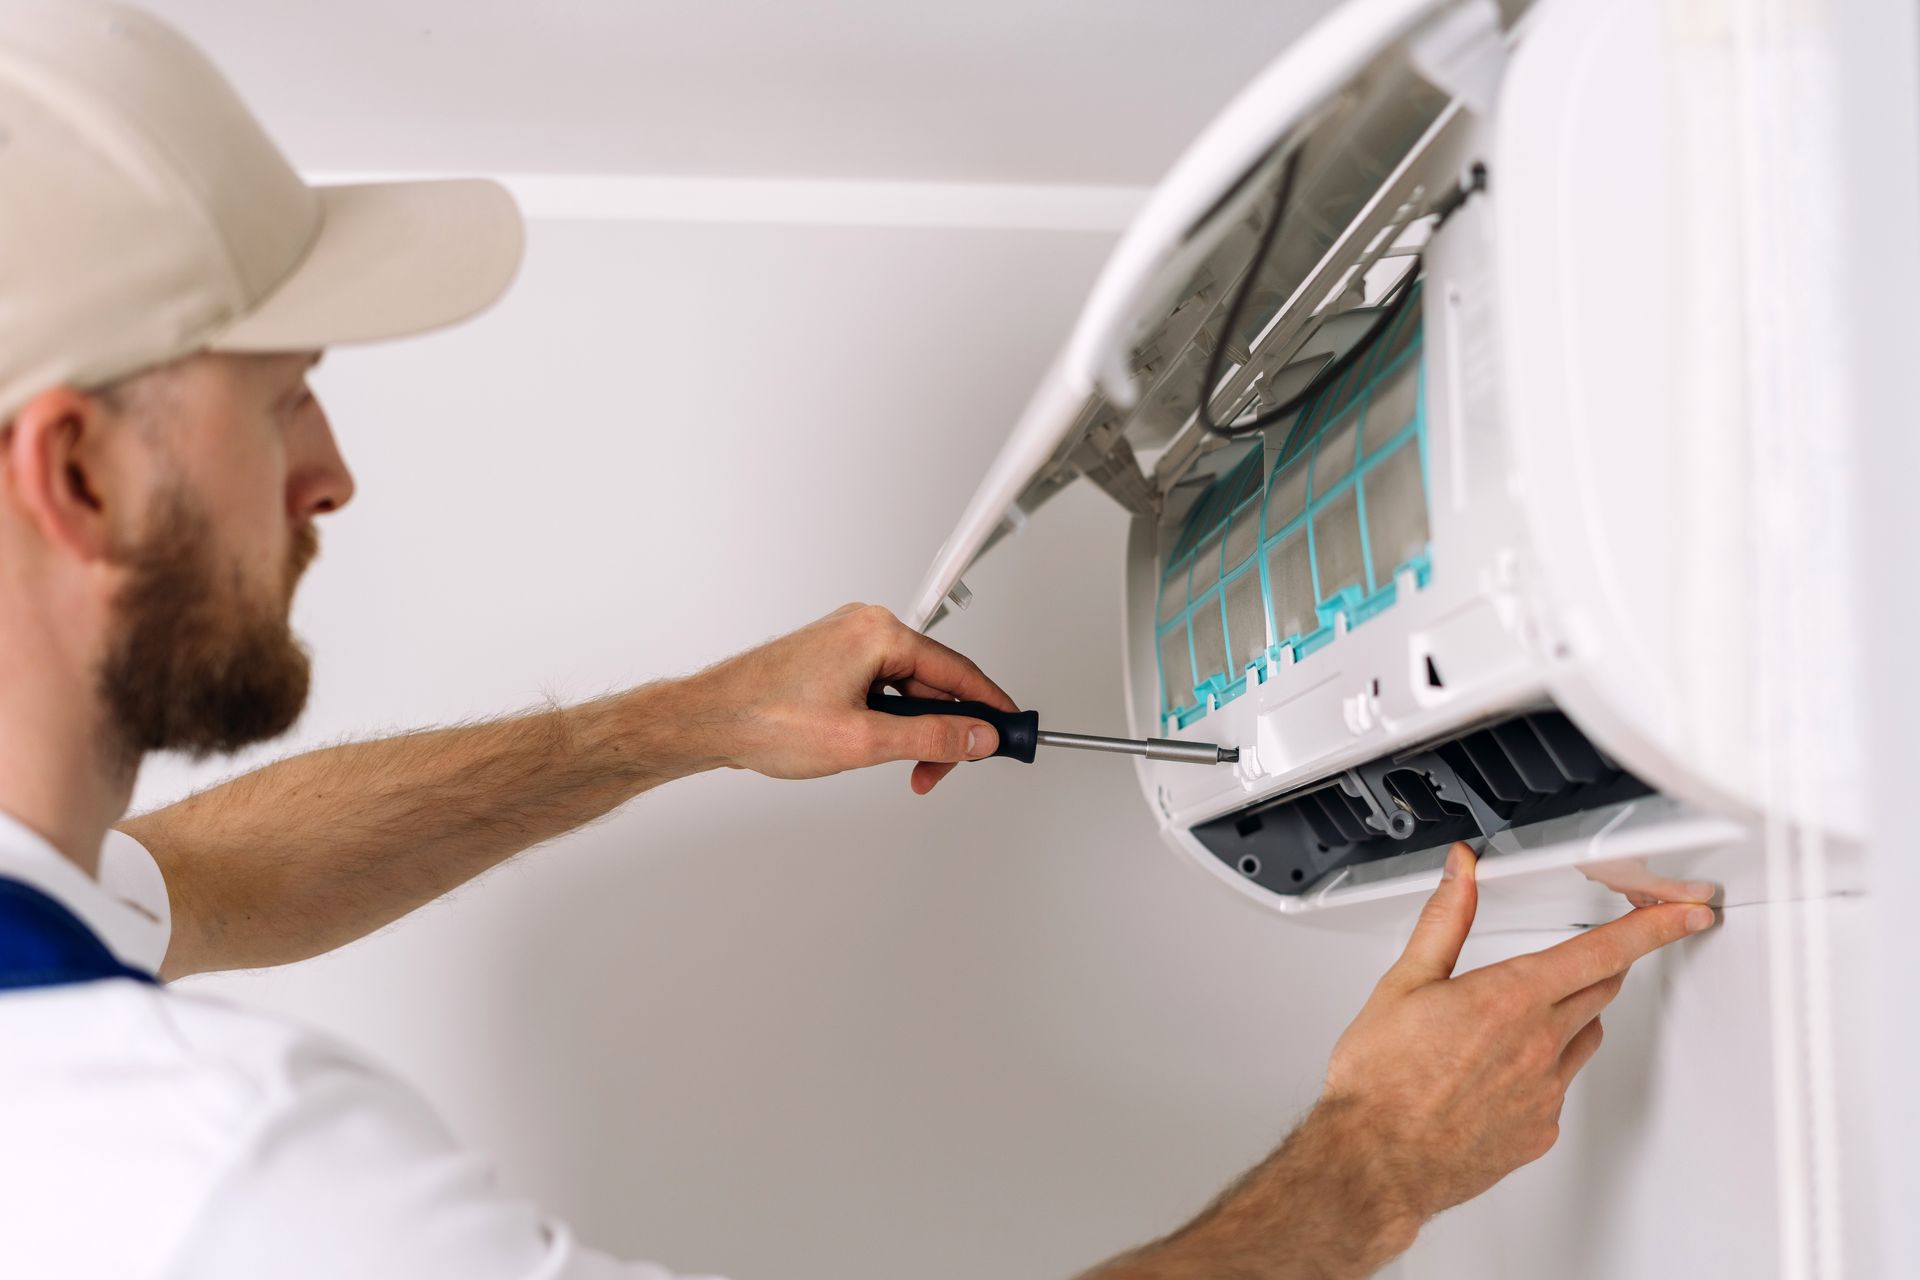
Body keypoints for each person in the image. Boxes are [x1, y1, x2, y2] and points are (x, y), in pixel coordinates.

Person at [0, 4, 1714, 1277]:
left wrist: (670, 724)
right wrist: (1377, 1166)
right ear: (73, 469)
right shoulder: (212, 1187)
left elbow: (189, 888)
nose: (328, 473)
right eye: (282, 397)